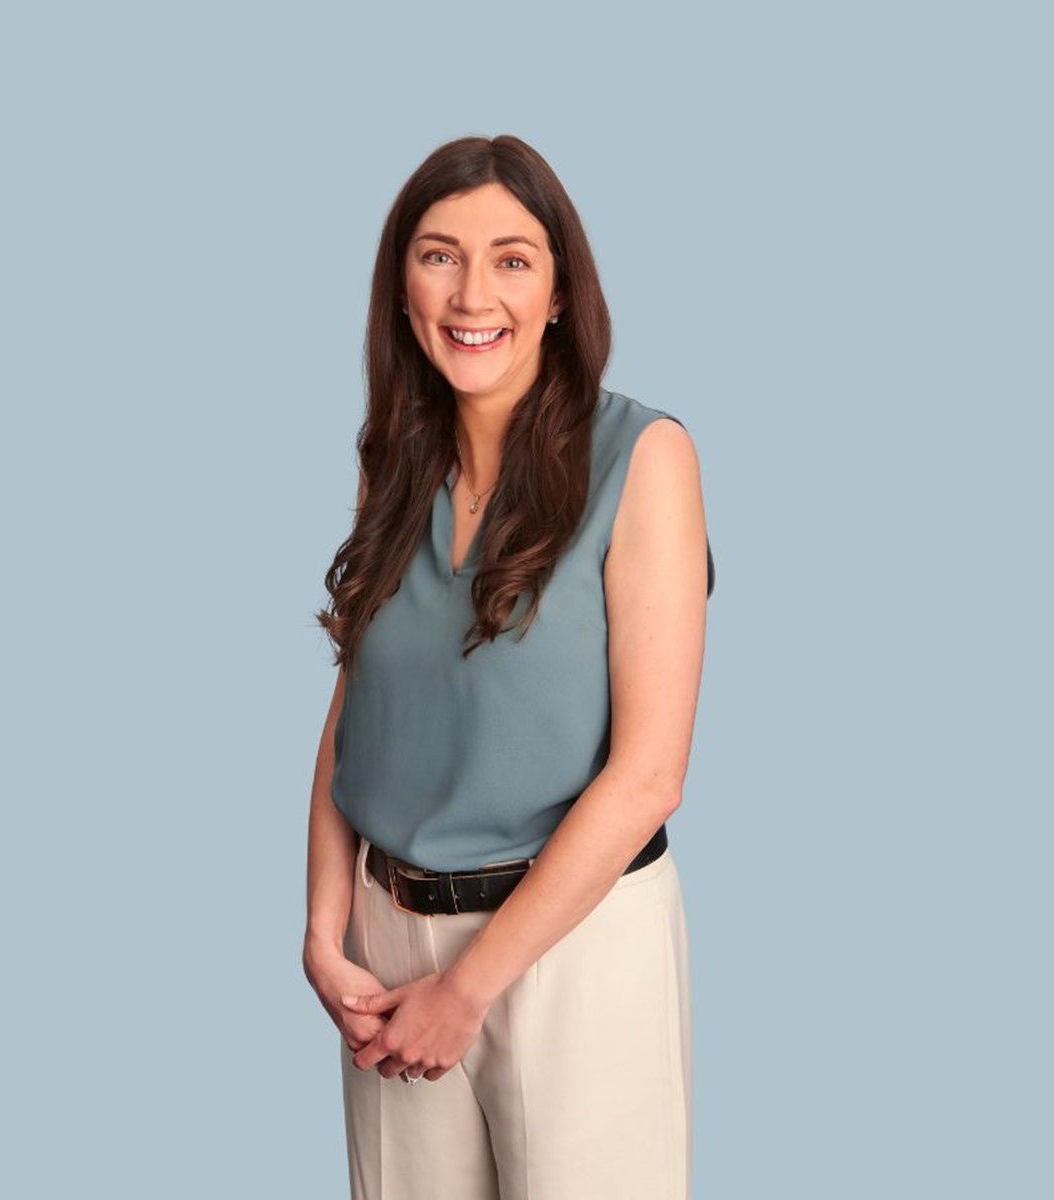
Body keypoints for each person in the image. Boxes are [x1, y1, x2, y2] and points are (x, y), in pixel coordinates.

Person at [302, 133, 714, 1200]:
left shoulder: (644, 460)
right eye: (438, 255)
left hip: (573, 945)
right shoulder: (394, 464)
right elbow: (357, 710)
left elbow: (649, 775)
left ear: (561, 293)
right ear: (400, 285)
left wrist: (467, 989)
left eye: (512, 259)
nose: (471, 294)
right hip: (385, 943)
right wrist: (322, 932)